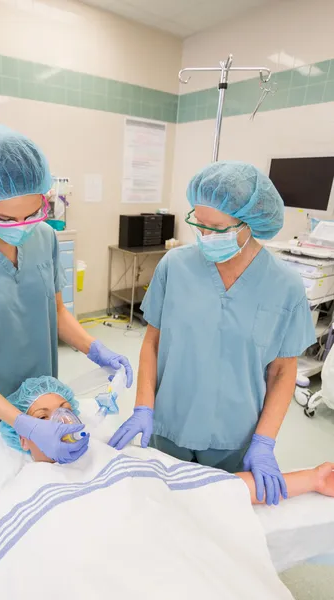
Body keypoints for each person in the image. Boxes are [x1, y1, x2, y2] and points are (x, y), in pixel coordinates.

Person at [0, 123, 132, 465]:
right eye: (5, 217)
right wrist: (21, 423)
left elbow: (57, 311)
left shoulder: (44, 237)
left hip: (44, 403)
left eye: (32, 213)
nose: (22, 226)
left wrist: (95, 349)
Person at [108, 161, 316, 505]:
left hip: (234, 437)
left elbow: (282, 370)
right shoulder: (174, 267)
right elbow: (153, 343)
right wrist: (144, 407)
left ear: (250, 226)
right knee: (164, 514)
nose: (204, 236)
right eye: (198, 224)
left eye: (216, 228)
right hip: (169, 424)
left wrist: (264, 441)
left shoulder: (285, 287)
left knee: (216, 523)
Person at [0, 375, 334, 506]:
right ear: (22, 437)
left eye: (65, 410)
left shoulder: (109, 453)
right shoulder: (23, 487)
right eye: (42, 419)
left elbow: (211, 488)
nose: (60, 421)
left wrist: (312, 478)